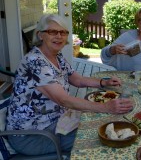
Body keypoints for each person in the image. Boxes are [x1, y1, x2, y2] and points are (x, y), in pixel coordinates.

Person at [6, 14, 133, 156]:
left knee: (102, 124)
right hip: (32, 136)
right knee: (99, 138)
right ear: (40, 35)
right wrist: (106, 107)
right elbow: (64, 100)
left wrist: (103, 82)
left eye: (63, 32)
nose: (59, 36)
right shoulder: (35, 62)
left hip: (56, 123)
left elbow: (76, 79)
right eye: (53, 32)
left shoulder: (56, 56)